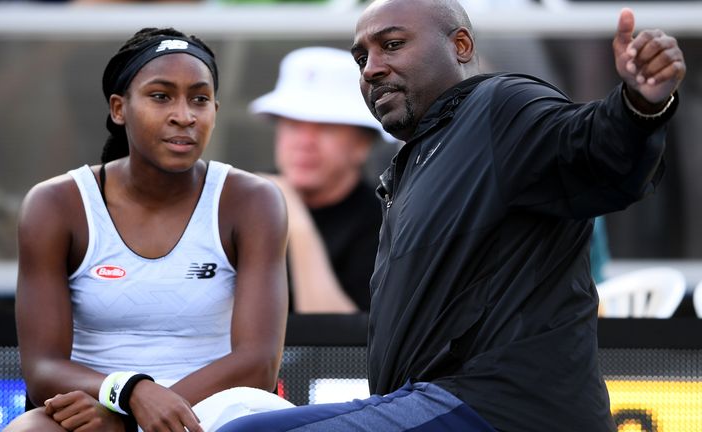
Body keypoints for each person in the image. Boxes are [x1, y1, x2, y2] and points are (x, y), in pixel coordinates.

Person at [216, 0, 686, 431]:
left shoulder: (500, 107)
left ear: (460, 45)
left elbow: (598, 152)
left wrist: (640, 107)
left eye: (392, 45)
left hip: (501, 409)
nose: (372, 68)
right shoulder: (414, 162)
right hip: (438, 403)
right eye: (361, 58)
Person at [4, 27, 292, 432]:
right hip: (100, 407)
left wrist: (139, 413)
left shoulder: (252, 200)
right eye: (161, 96)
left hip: (218, 409)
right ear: (119, 109)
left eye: (199, 99)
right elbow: (42, 368)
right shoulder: (55, 204)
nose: (184, 115)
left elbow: (257, 364)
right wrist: (130, 395)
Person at [249, 46, 394, 313]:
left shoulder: (387, 226)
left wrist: (296, 221)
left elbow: (339, 344)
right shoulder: (243, 205)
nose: (304, 143)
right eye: (292, 126)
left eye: (326, 128)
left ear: (361, 145)